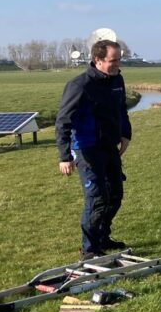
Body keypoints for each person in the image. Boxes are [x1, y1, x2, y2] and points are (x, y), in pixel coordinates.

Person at [55, 40, 132, 259]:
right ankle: (89, 250)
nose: (118, 64)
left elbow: (121, 110)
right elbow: (63, 122)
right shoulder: (80, 85)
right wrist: (64, 156)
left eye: (119, 59)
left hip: (109, 147)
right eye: (113, 60)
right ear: (97, 60)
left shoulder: (117, 80)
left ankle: (102, 237)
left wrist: (125, 134)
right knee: (97, 199)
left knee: (115, 196)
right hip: (87, 149)